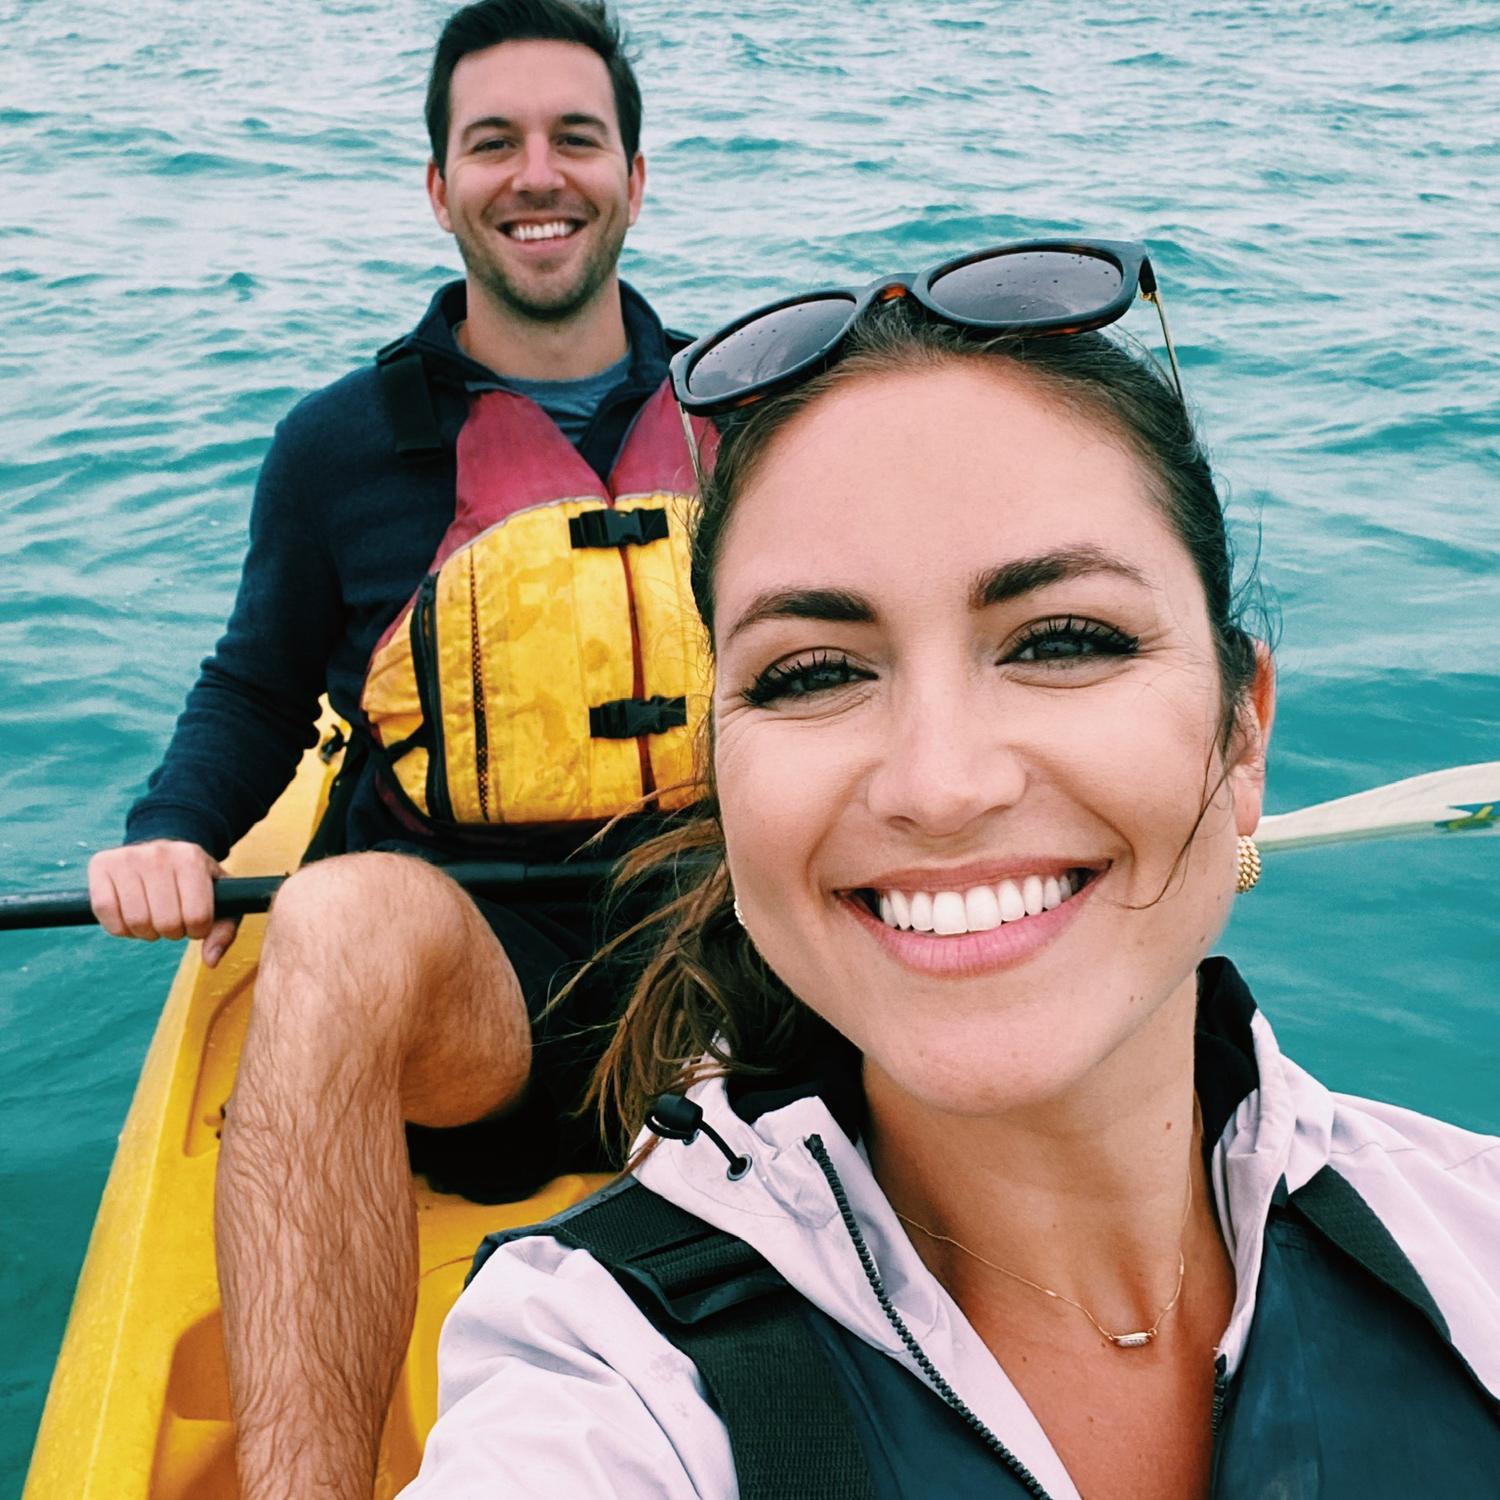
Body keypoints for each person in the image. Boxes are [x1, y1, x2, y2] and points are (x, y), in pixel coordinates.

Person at [403, 246, 1500, 1497]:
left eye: (1063, 641)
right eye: (813, 672)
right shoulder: (604, 1384)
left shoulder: (1474, 1243)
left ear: (1241, 732)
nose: (937, 784)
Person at [85, 2, 707, 1495]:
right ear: (440, 186)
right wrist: (176, 827)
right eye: (493, 142)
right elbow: (255, 688)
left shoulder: (750, 410)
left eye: (575, 137)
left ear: (635, 173)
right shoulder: (337, 447)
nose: (535, 173)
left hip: (713, 955)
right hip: (470, 990)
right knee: (334, 911)